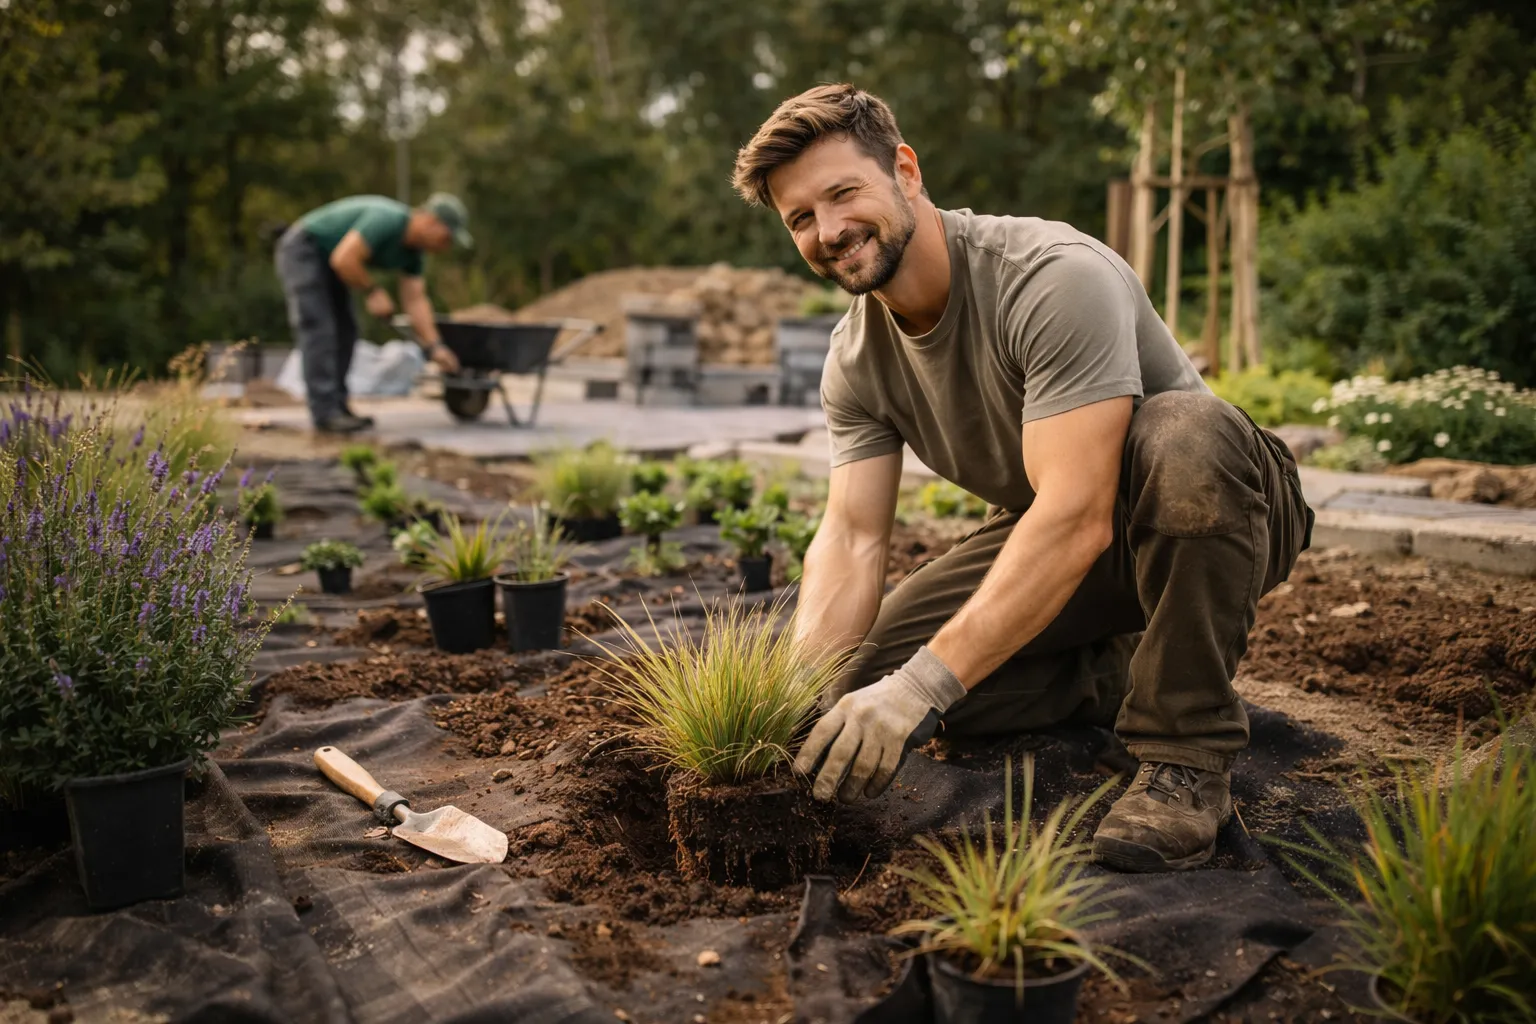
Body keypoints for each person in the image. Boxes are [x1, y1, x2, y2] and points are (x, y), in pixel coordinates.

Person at [732, 84, 1312, 872]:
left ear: (905, 170)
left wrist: (922, 689)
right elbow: (853, 538)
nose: (829, 231)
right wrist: (797, 698)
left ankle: (1187, 759)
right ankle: (1120, 668)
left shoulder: (1048, 275)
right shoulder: (855, 359)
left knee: (1185, 429)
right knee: (863, 688)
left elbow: (1076, 513)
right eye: (800, 218)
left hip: (1217, 507)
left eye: (842, 194)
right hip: (1070, 535)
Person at [274, 193, 471, 433]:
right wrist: (373, 291)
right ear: (431, 221)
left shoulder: (414, 255)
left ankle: (337, 406)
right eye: (446, 238)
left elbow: (416, 301)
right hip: (305, 249)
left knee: (347, 331)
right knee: (319, 329)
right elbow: (344, 258)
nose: (446, 247)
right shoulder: (387, 219)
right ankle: (325, 414)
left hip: (329, 262)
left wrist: (435, 347)